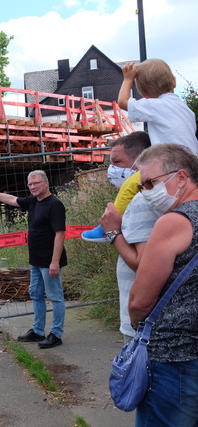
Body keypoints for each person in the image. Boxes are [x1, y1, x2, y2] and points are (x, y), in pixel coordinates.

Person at [82, 59, 198, 242]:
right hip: (192, 163)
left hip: (172, 163)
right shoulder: (184, 109)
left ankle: (109, 226)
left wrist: (127, 79)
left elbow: (122, 101)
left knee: (130, 185)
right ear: (174, 82)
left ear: (143, 93)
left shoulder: (155, 105)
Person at [128, 144, 198, 425]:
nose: (146, 192)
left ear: (181, 177)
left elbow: (140, 301)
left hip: (175, 357)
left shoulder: (174, 222)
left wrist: (136, 322)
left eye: (150, 183)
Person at [0, 170, 67, 349]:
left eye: (36, 183)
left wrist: (54, 262)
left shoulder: (55, 204)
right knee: (36, 294)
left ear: (45, 183)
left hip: (49, 261)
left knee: (55, 297)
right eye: (30, 184)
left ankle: (56, 334)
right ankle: (37, 331)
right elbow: (12, 200)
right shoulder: (33, 201)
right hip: (36, 260)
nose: (33, 187)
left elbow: (60, 234)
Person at [96, 132, 157, 342]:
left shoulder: (142, 200)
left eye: (117, 161)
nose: (112, 169)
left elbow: (144, 265)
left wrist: (112, 232)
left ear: (140, 160)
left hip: (141, 325)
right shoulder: (144, 197)